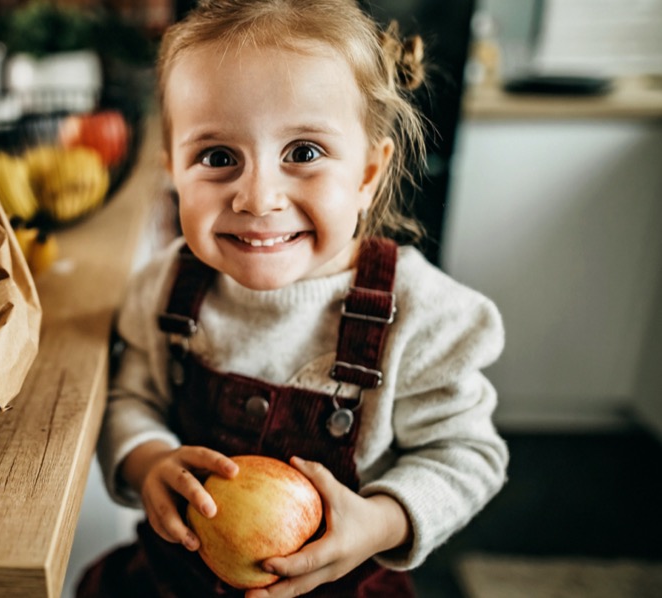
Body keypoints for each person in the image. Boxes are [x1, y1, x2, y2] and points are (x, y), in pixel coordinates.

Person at [77, 0, 508, 596]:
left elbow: (466, 455)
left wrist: (382, 521)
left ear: (366, 174)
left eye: (303, 153)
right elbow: (132, 396)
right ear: (172, 171)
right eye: (217, 157)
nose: (258, 198)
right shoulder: (164, 288)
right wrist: (147, 461)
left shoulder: (422, 315)